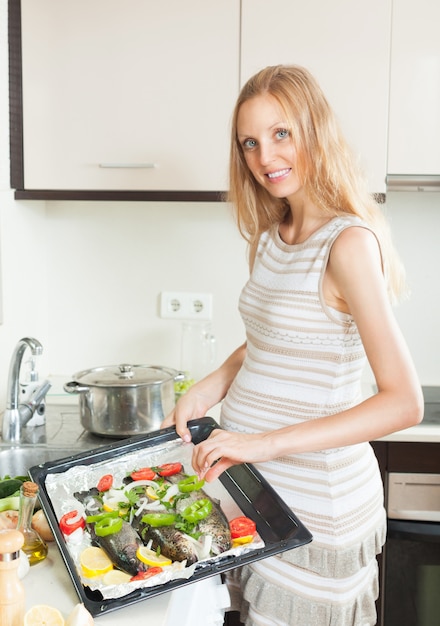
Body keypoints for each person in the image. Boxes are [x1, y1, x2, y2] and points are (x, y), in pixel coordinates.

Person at [162, 65, 423, 626]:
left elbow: (404, 402)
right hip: (256, 492)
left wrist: (262, 443)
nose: (265, 157)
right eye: (250, 142)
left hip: (316, 507)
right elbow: (270, 343)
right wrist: (209, 386)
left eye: (281, 133)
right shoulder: (270, 237)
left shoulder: (348, 243)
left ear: (315, 130)